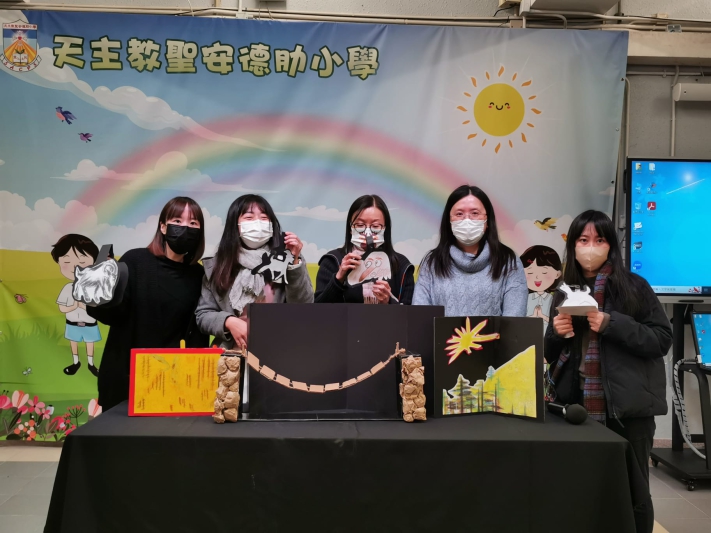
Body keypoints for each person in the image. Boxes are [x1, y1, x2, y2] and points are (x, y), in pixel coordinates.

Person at [545, 210, 671, 533]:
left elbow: (661, 339)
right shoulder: (564, 291)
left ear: (611, 245)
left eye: (599, 240)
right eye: (583, 240)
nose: (591, 247)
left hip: (628, 412)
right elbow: (549, 354)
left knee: (634, 493)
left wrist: (611, 324)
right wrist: (556, 334)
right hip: (575, 408)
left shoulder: (635, 287)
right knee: (582, 490)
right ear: (573, 246)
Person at [88, 197, 209, 411]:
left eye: (193, 223)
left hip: (175, 380)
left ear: (200, 231)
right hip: (129, 378)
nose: (185, 228)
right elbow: (113, 315)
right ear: (163, 227)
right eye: (177, 221)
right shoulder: (134, 261)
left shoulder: (199, 274)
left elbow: (198, 331)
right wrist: (97, 293)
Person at [196, 195, 313, 351]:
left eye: (264, 218)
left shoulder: (285, 258)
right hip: (231, 354)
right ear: (235, 225)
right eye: (249, 218)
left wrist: (294, 262)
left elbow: (304, 308)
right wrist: (229, 321)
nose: (258, 223)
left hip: (278, 352)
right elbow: (203, 314)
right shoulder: (218, 265)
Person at [412, 185, 527, 316]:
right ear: (449, 220)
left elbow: (515, 319)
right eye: (459, 214)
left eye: (475, 213)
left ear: (487, 220)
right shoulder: (432, 263)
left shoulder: (508, 261)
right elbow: (420, 316)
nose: (467, 220)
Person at [315, 194, 415, 305]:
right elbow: (317, 310)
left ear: (385, 229)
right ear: (350, 228)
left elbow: (410, 313)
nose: (367, 233)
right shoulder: (332, 261)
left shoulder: (402, 266)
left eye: (375, 226)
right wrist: (338, 279)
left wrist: (389, 302)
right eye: (360, 225)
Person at [51, 234, 101, 377]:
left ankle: (91, 364)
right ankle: (75, 362)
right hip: (72, 323)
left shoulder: (94, 287)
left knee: (90, 343)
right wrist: (75, 306)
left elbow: (99, 309)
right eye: (67, 261)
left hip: (90, 324)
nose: (75, 266)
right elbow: (62, 308)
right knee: (73, 343)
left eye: (83, 261)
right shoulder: (68, 288)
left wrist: (84, 306)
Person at [520, 245, 562, 334]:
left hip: (548, 337)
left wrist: (542, 316)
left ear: (557, 274)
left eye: (544, 272)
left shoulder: (554, 299)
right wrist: (534, 316)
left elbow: (557, 322)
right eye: (530, 272)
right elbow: (519, 320)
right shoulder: (524, 298)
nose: (537, 277)